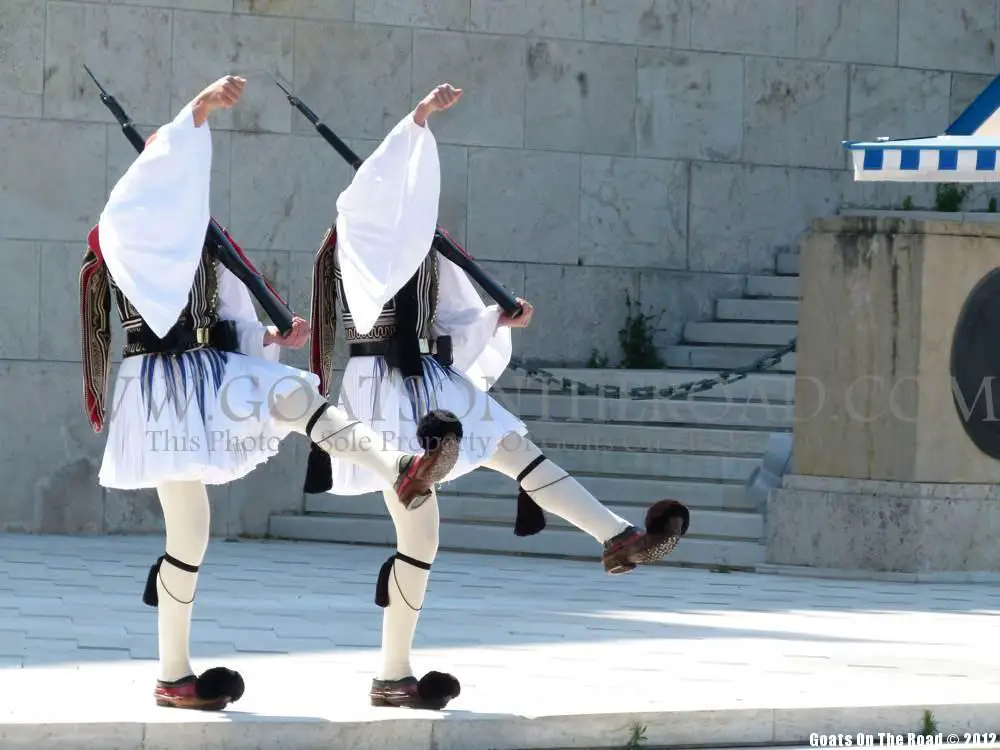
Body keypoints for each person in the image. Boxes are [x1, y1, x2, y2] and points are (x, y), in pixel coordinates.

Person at [79, 75, 463, 712]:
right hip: (160, 385)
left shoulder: (201, 238)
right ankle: (172, 675)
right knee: (189, 535)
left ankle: (398, 465)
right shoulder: (122, 230)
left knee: (291, 391)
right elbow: (148, 217)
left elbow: (229, 316)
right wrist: (197, 110)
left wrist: (270, 336)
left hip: (213, 366)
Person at [304, 83, 691, 710]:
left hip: (433, 375)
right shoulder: (351, 238)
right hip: (381, 387)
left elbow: (457, 317)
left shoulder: (426, 244)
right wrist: (417, 121)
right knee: (419, 539)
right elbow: (370, 256)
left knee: (516, 449)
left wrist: (496, 318)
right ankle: (392, 673)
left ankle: (618, 536)